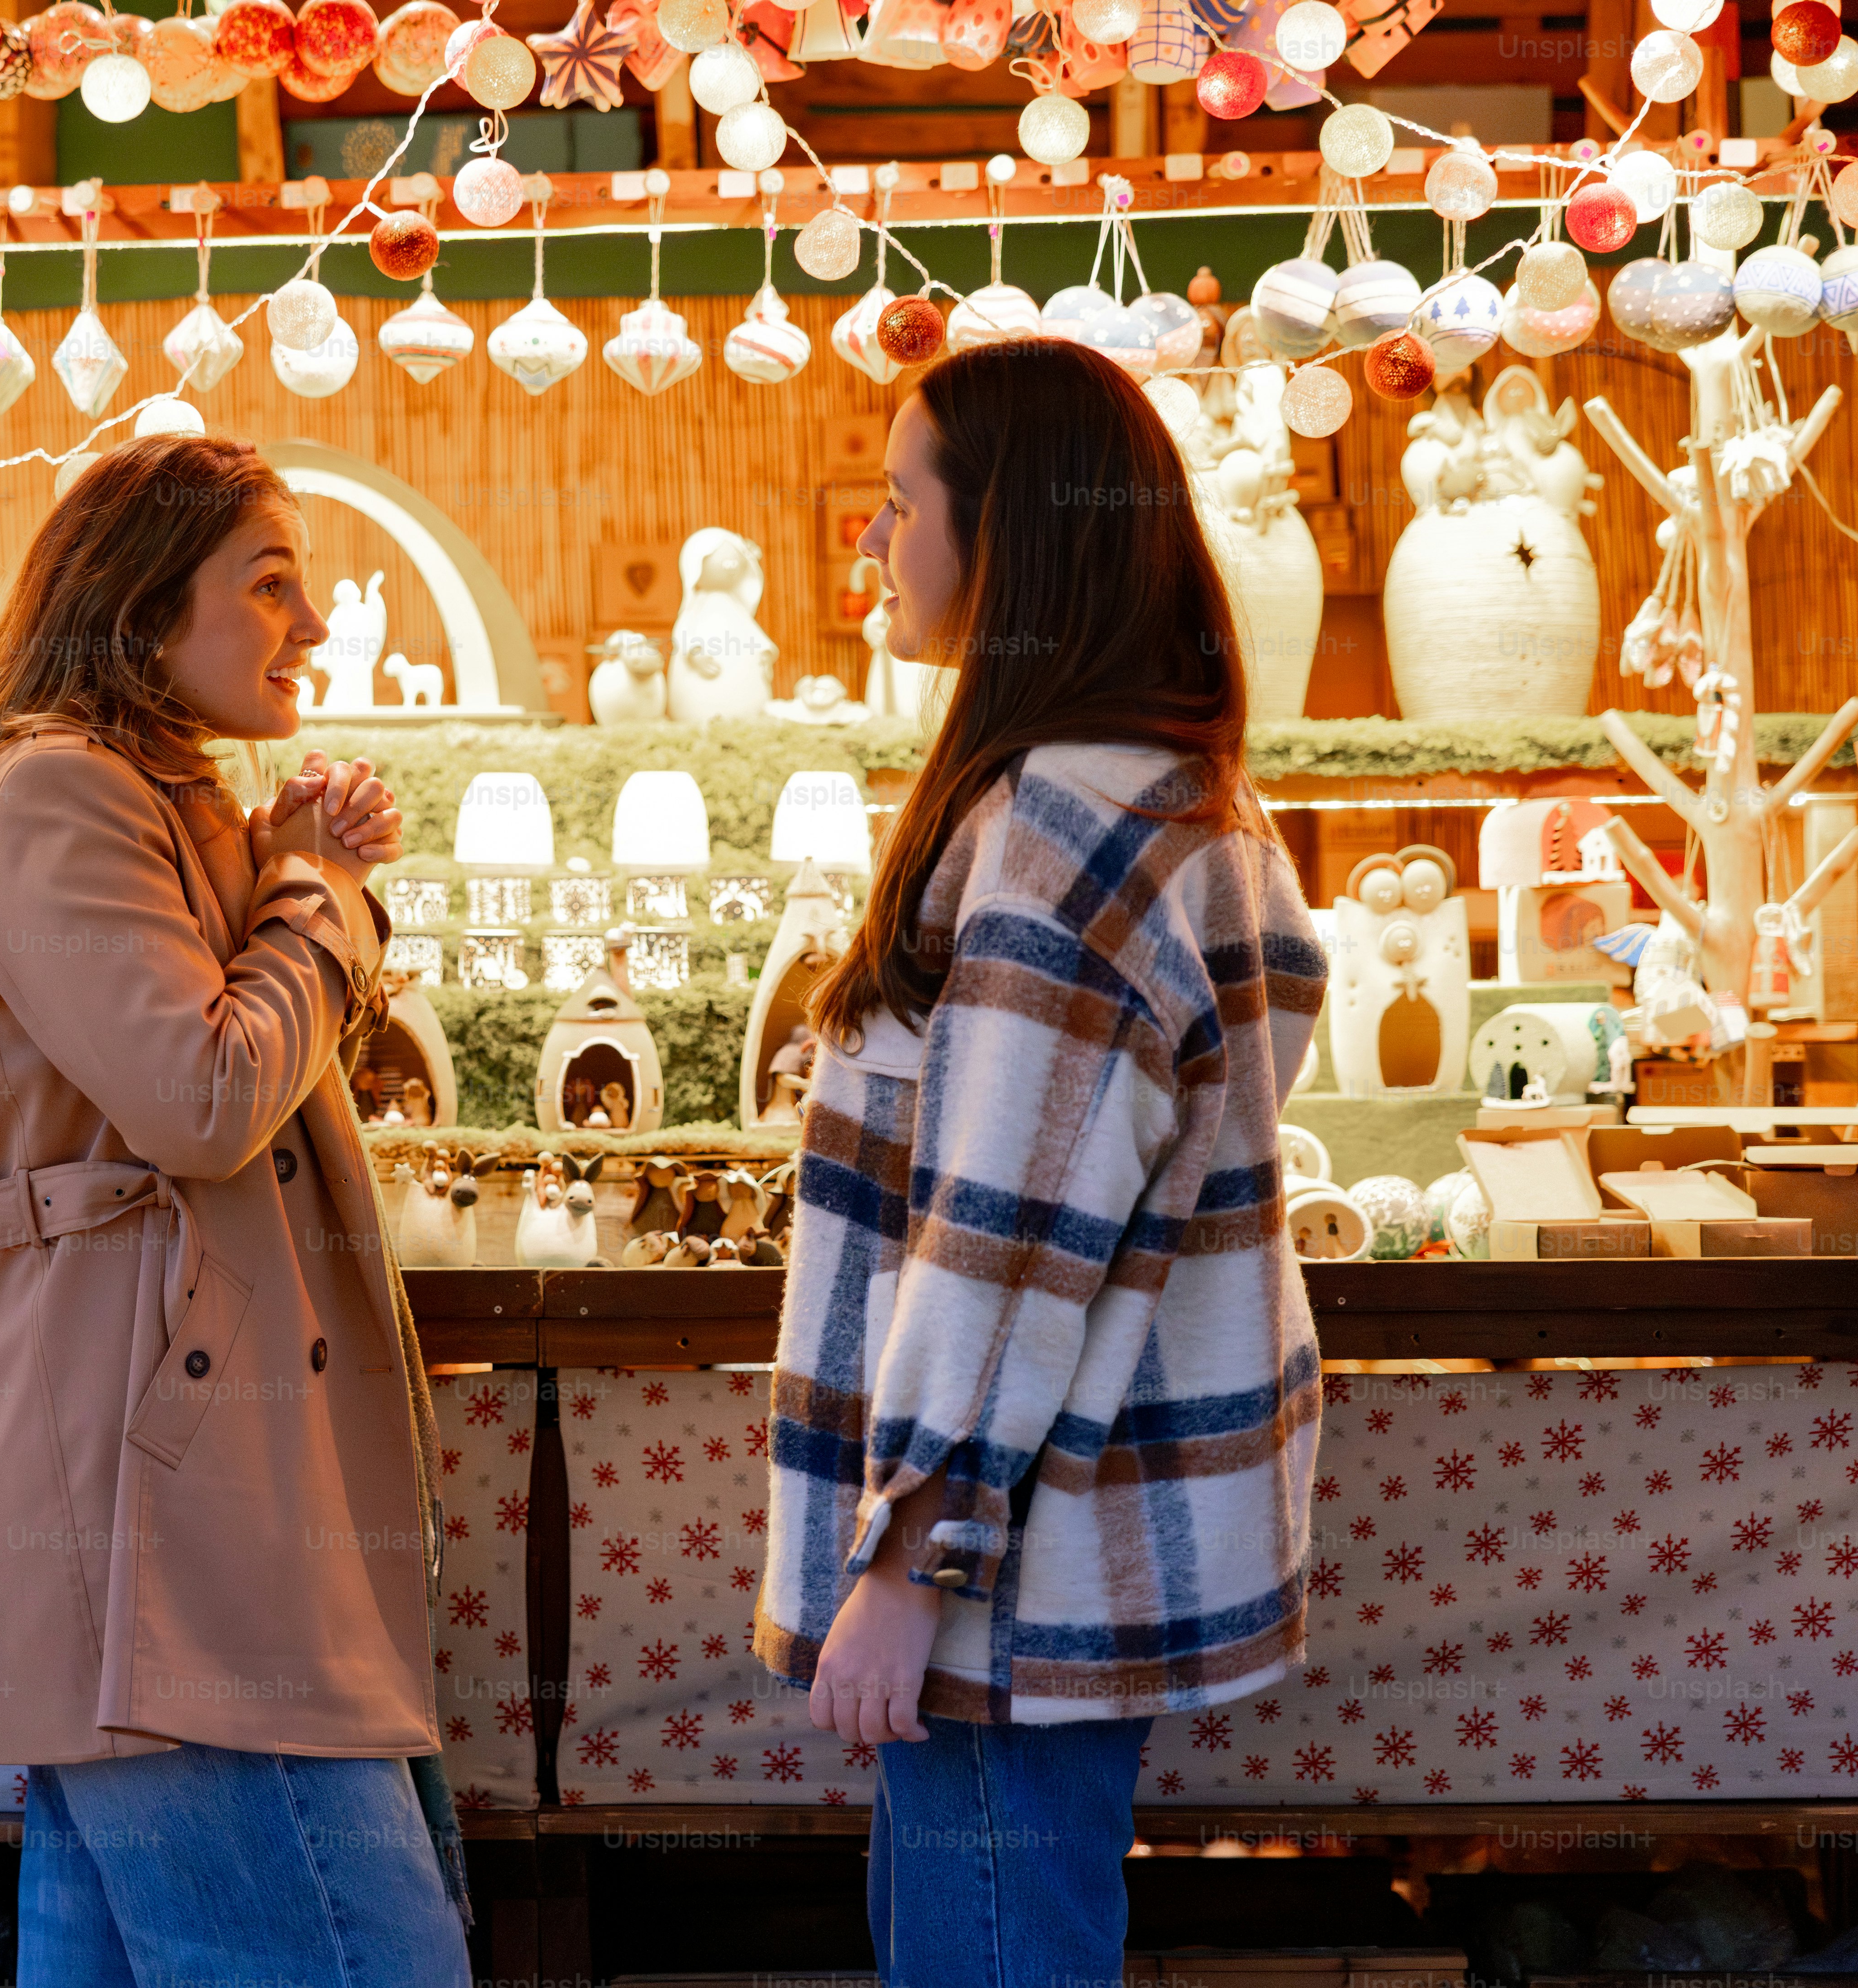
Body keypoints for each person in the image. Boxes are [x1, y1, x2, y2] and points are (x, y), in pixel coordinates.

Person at [752, 339, 1330, 1988]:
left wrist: (912, 1556)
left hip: (1002, 1559)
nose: (870, 543)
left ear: (1004, 536)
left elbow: (1010, 1231)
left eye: (895, 503)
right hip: (1048, 1537)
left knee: (989, 1948)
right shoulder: (1172, 794)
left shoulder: (1066, 815)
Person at [0, 434, 470, 1987]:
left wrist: (296, 874)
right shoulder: (66, 796)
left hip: (180, 1525)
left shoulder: (158, 802)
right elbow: (203, 1099)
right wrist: (319, 891)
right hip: (173, 1540)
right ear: (141, 610)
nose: (316, 626)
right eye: (271, 584)